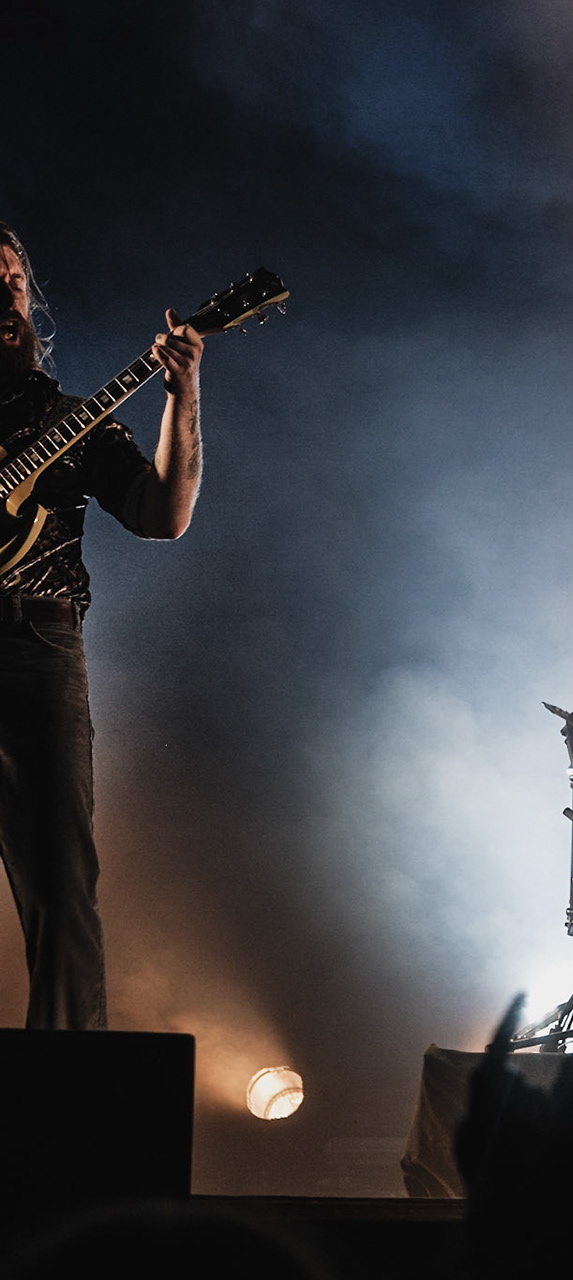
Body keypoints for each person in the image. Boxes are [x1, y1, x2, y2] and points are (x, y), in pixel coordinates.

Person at [0, 222, 203, 1029]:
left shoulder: (70, 420)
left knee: (60, 883)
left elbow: (163, 516)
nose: (4, 297)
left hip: (32, 645)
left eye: (12, 282)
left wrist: (183, 395)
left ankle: (65, 1107)